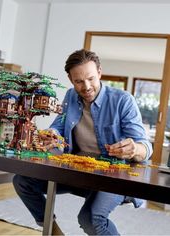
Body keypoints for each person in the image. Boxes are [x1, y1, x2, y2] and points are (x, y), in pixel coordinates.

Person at [13, 49, 153, 235]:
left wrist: (135, 149)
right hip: (78, 171)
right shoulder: (70, 96)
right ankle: (54, 231)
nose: (86, 86)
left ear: (100, 73)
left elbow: (145, 147)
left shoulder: (123, 100)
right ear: (71, 80)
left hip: (113, 177)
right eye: (79, 81)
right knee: (23, 181)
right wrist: (52, 135)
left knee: (90, 218)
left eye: (91, 78)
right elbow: (59, 127)